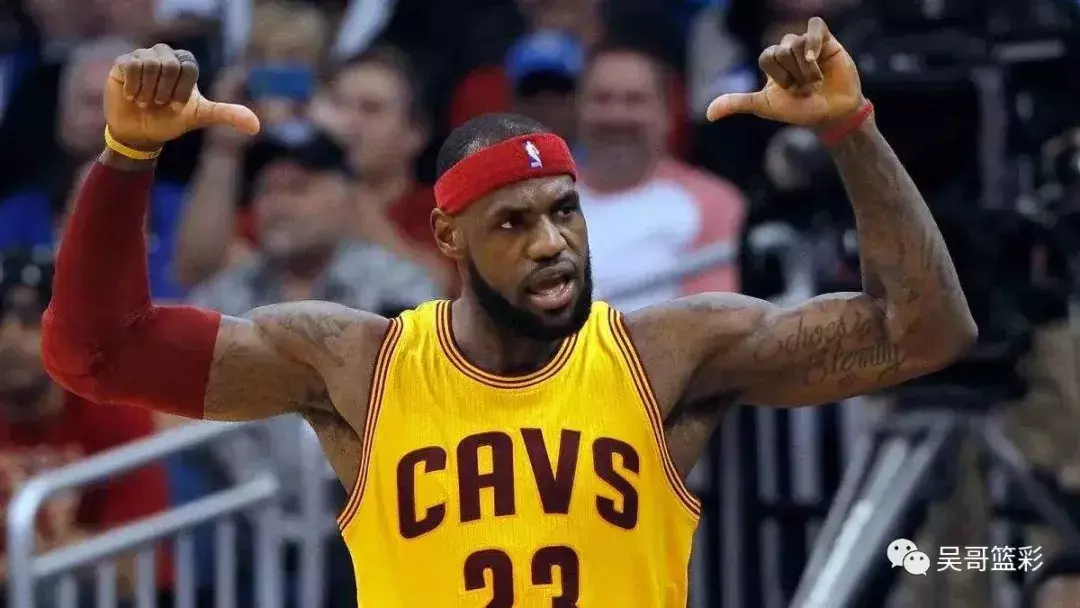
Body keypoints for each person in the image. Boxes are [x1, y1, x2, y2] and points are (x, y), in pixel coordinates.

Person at [42, 17, 977, 606]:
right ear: (448, 238)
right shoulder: (357, 364)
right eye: (514, 223)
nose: (551, 243)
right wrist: (127, 158)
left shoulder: (669, 352)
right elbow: (96, 353)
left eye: (565, 211)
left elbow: (927, 332)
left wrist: (850, 130)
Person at [0, 250, 171, 598]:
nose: (9, 338)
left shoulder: (114, 409)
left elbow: (141, 570)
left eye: (30, 319)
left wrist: (46, 562)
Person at [577, 44, 746, 310]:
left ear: (667, 114)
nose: (617, 115)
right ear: (578, 109)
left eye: (635, 100)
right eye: (602, 99)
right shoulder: (541, 197)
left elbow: (713, 319)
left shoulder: (714, 203)